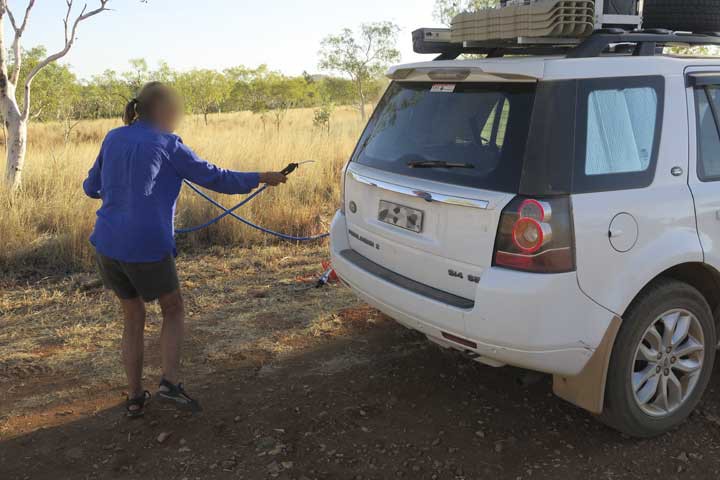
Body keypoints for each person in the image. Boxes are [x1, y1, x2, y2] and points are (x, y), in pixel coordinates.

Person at [82, 82, 287, 418]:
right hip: (146, 246)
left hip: (107, 244)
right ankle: (170, 383)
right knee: (173, 307)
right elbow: (217, 178)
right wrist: (262, 176)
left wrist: (121, 187)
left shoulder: (113, 137)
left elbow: (91, 188)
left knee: (133, 315)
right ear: (162, 110)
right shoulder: (169, 144)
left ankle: (135, 397)